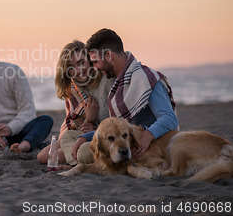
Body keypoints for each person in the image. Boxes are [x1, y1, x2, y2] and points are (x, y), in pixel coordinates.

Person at [71, 28, 178, 163]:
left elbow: (170, 118)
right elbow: (116, 130)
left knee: (85, 153)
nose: (95, 68)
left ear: (109, 55)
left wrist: (148, 135)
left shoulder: (144, 78)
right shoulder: (118, 85)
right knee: (85, 146)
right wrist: (84, 137)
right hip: (126, 144)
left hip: (151, 145)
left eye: (95, 61)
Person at [36, 40, 114, 168]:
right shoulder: (73, 86)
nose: (78, 70)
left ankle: (75, 164)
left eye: (81, 63)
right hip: (77, 130)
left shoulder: (104, 81)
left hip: (97, 133)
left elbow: (114, 118)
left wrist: (91, 123)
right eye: (71, 67)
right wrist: (89, 120)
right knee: (42, 156)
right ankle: (74, 157)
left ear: (89, 59)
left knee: (51, 156)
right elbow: (72, 119)